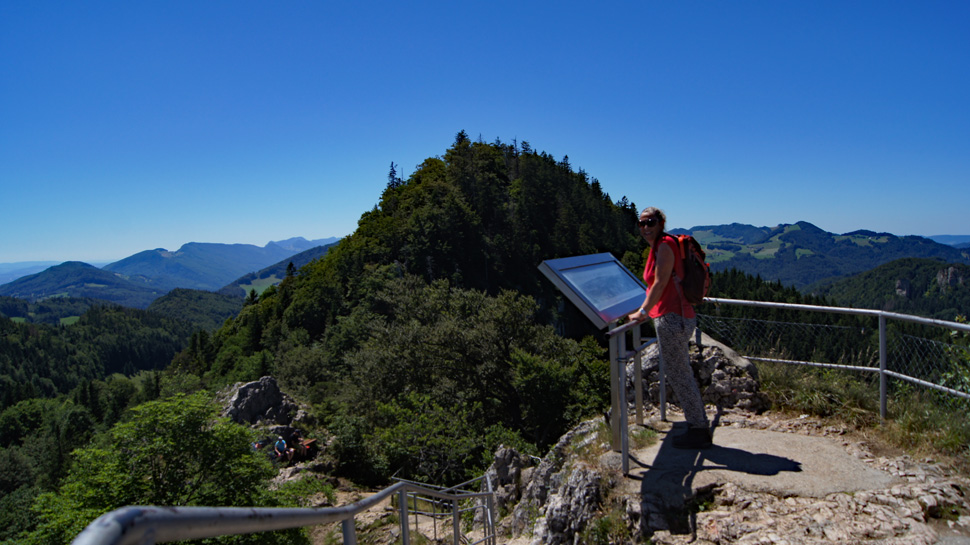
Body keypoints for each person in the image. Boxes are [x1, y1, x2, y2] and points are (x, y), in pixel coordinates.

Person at [627, 206, 712, 449]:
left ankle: (699, 429)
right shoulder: (662, 245)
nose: (645, 227)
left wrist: (643, 312)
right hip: (680, 316)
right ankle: (698, 424)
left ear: (661, 223)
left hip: (672, 318)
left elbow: (660, 282)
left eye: (650, 222)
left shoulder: (664, 246)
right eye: (642, 223)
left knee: (679, 374)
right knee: (681, 372)